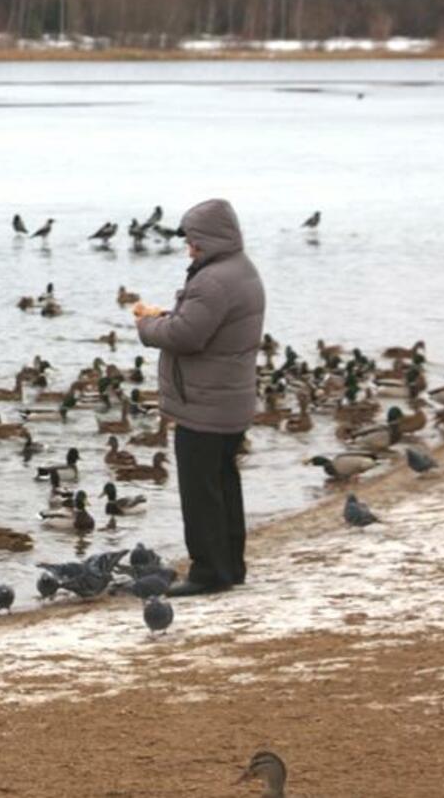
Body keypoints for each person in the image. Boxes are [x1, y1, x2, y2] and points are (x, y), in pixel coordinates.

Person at [132, 199, 266, 597]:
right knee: (224, 482)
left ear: (208, 239)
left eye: (192, 241)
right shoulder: (241, 269)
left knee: (200, 490)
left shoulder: (213, 280)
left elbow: (186, 336)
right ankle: (231, 565)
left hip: (205, 402)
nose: (188, 248)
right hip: (228, 397)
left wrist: (148, 324)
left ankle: (209, 571)